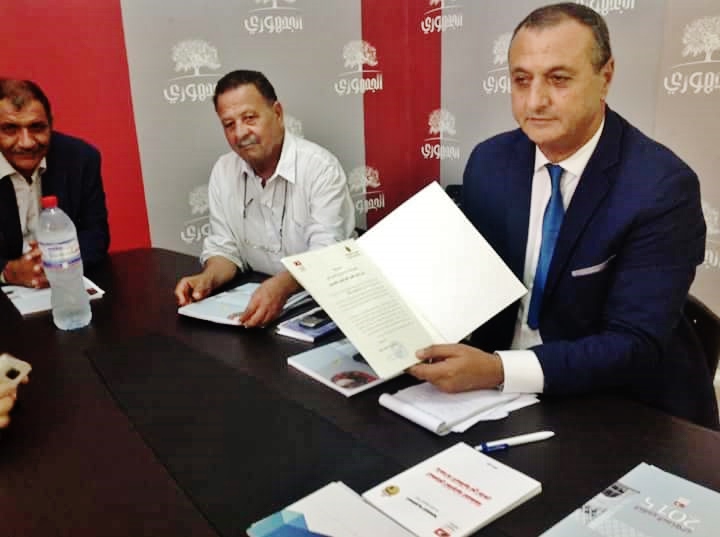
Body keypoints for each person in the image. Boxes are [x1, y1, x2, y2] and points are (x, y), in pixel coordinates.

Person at [409, 3, 719, 429]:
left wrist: (499, 370)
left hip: (616, 403)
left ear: (605, 77)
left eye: (558, 79)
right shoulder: (489, 162)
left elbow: (634, 345)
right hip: (487, 392)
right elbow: (474, 285)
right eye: (521, 80)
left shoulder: (661, 188)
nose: (535, 101)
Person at [175, 70, 355, 328]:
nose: (240, 133)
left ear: (278, 113)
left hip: (323, 305)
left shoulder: (320, 168)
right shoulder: (224, 170)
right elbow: (225, 249)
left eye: (249, 118)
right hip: (258, 304)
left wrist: (282, 285)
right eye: (229, 124)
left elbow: (324, 255)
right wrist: (208, 279)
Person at [0, 79, 110, 289]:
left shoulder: (81, 158)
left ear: (50, 124)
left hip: (66, 281)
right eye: (10, 129)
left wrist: (60, 262)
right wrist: (7, 271)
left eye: (37, 127)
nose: (26, 142)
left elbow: (96, 234)